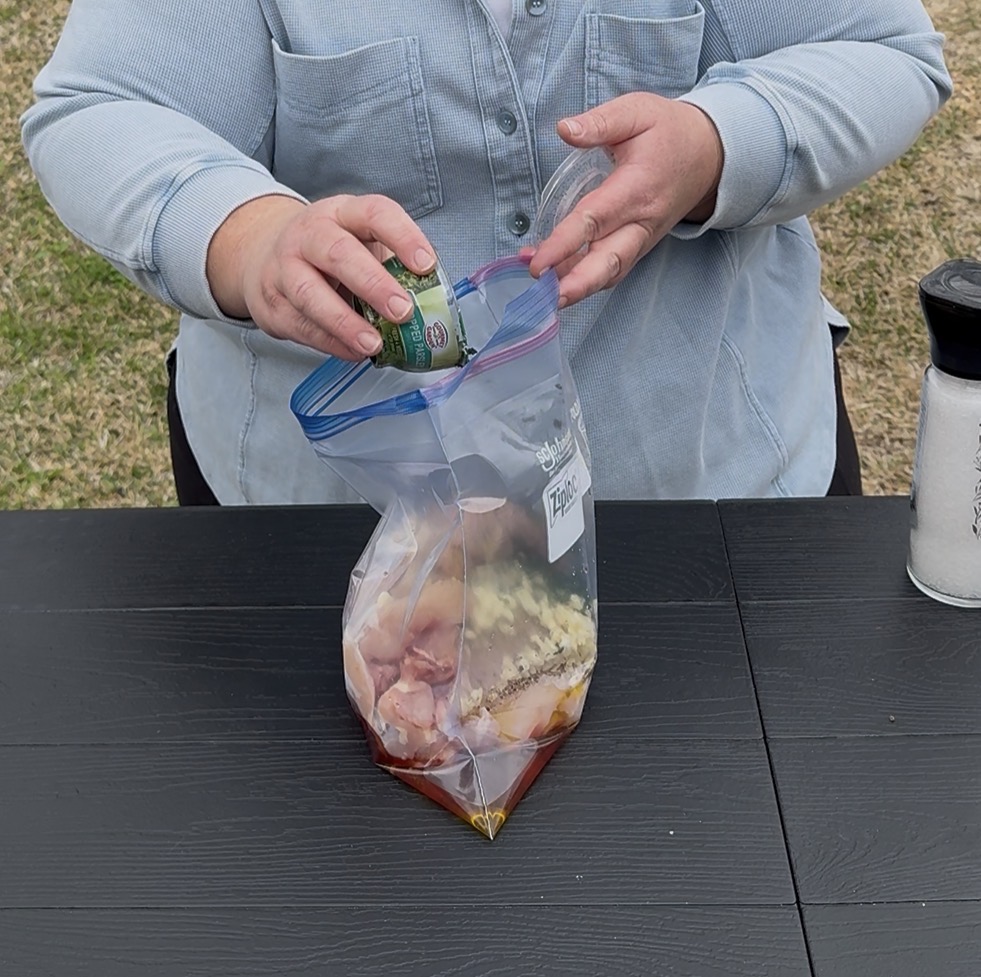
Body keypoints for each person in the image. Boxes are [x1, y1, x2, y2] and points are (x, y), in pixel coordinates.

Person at [21, 0, 951, 506]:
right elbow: (103, 106)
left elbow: (877, 50)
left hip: (707, 488)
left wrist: (716, 144)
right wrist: (244, 234)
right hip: (323, 526)